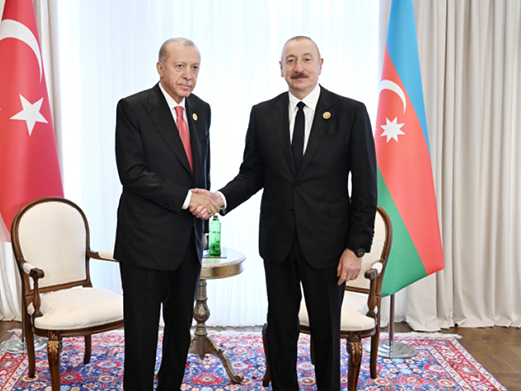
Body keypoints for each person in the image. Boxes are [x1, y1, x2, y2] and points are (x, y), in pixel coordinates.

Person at [193, 36, 377, 390]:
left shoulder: (351, 113)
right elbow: (252, 174)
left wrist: (355, 248)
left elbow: (366, 187)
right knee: (280, 328)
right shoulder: (263, 114)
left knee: (326, 331)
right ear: (281, 69)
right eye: (290, 60)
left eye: (306, 59)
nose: (299, 67)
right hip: (278, 242)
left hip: (328, 246)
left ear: (321, 64)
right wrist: (219, 198)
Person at [114, 37, 220, 391]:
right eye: (180, 66)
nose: (189, 75)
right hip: (145, 243)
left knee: (179, 332)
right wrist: (189, 199)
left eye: (195, 68)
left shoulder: (201, 109)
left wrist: (204, 216)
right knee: (142, 336)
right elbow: (132, 174)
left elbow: (201, 172)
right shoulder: (133, 108)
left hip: (187, 242)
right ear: (160, 68)